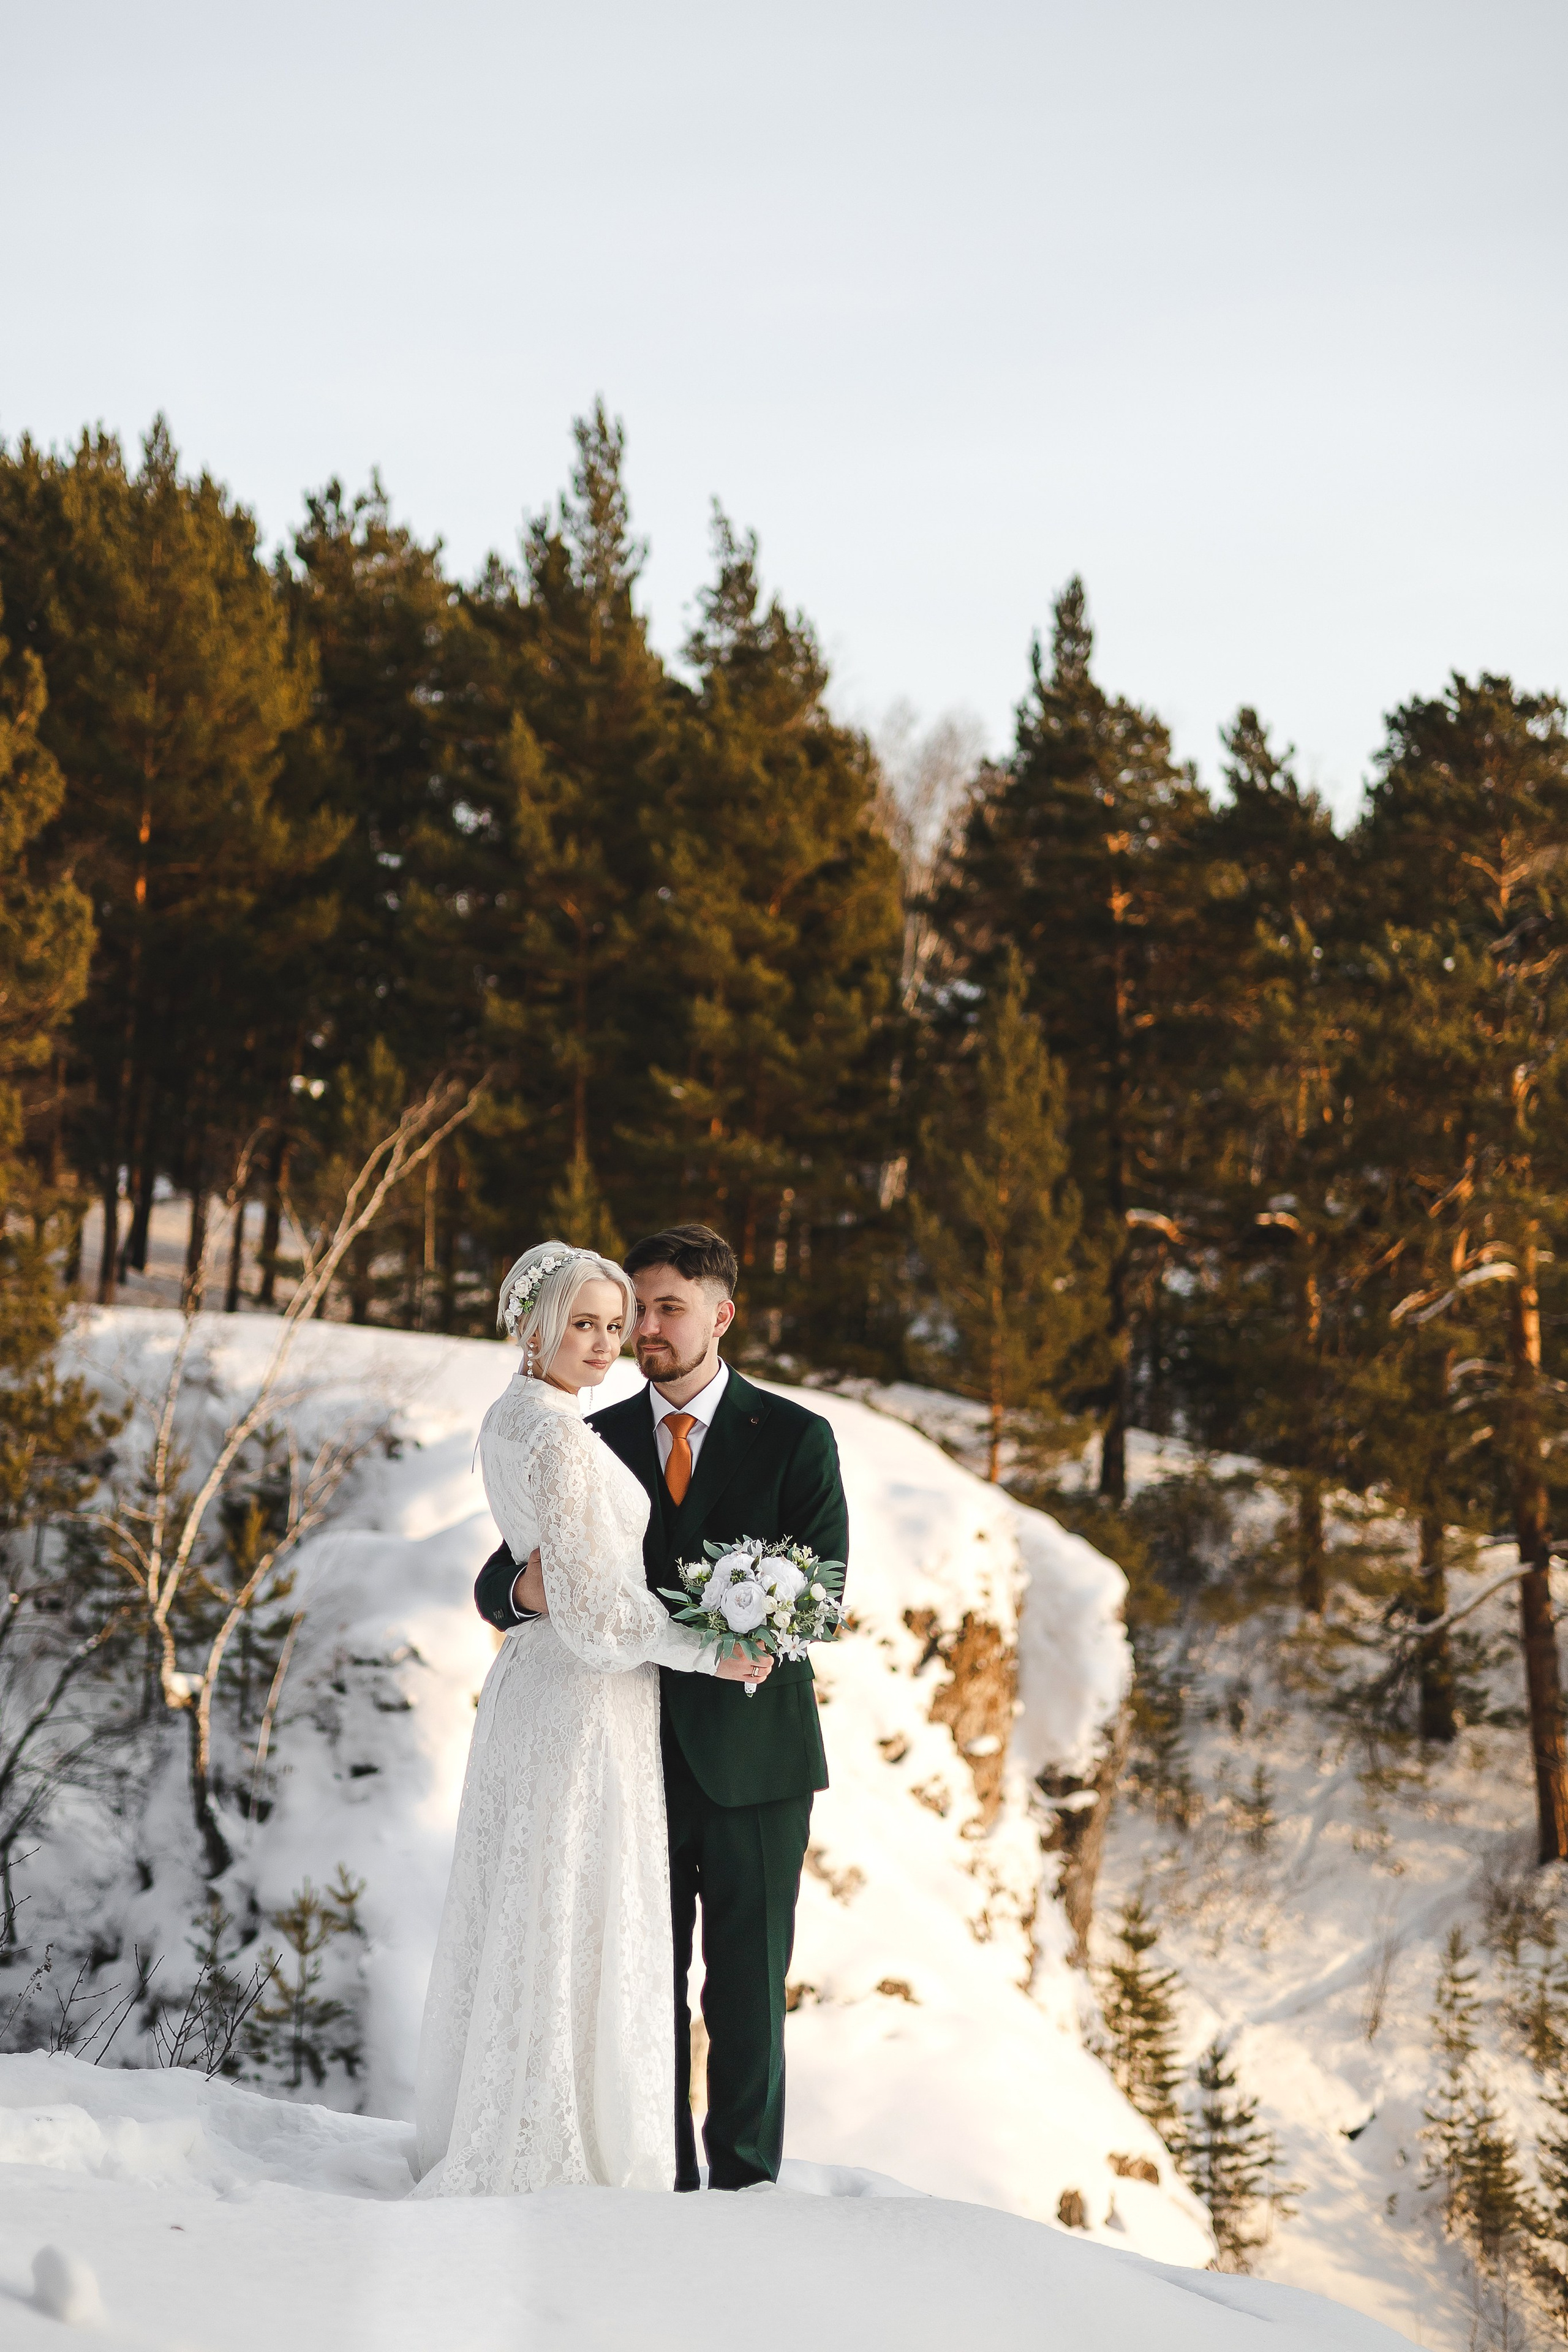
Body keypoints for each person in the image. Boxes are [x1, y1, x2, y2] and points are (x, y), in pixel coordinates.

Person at [473, 1223, 849, 2192]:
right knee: (640, 1983)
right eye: (633, 1308)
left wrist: (755, 1620)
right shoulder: (585, 1434)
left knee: (747, 1986)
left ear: (722, 1316)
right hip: (624, 1746)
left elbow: (825, 1593)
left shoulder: (797, 1437)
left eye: (667, 1308)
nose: (642, 1328)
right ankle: (659, 2183)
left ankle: (747, 2188)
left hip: (754, 1761)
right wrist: (521, 1596)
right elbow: (505, 1576)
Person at [413, 1241, 769, 2197]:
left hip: (555, 1689)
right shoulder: (565, 1433)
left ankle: (536, 2108)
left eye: (619, 1326)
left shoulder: (517, 1417)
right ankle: (552, 2139)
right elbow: (599, 1609)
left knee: (550, 1901)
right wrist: (713, 1649)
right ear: (537, 1325)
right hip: (580, 1695)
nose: (610, 1343)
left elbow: (553, 1570)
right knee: (570, 1904)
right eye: (587, 1324)